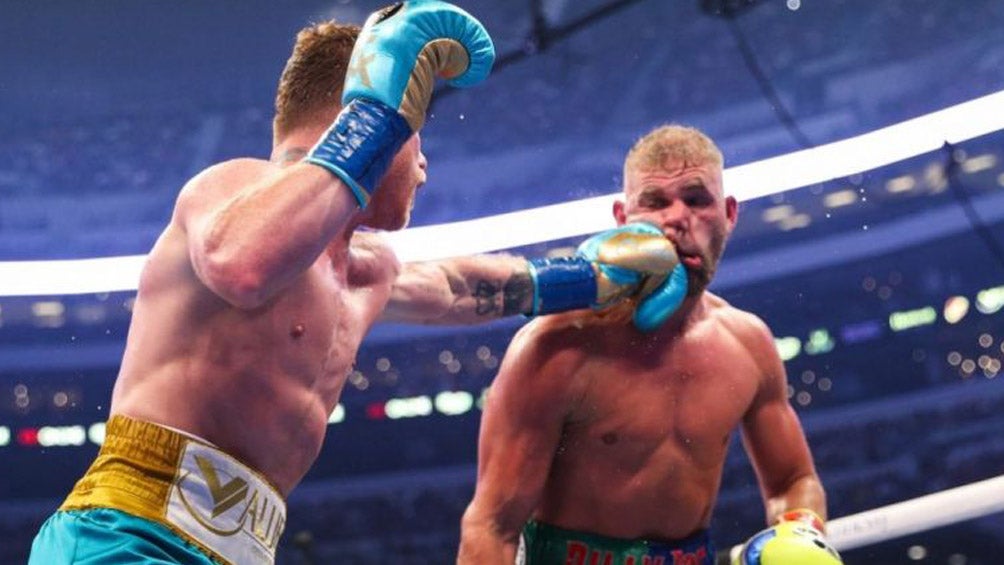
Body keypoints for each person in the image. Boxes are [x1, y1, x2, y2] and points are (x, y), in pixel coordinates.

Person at [27, 3, 683, 565]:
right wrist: (378, 123)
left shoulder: (363, 269)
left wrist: (594, 280)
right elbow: (241, 264)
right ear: (367, 112)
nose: (423, 163)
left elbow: (461, 287)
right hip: (127, 532)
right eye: (415, 133)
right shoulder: (233, 185)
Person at [457, 125, 844, 565]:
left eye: (697, 200)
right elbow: (491, 525)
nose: (677, 218)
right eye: (656, 202)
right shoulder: (557, 348)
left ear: (729, 214)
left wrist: (801, 531)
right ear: (623, 219)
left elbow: (794, 480)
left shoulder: (748, 344)